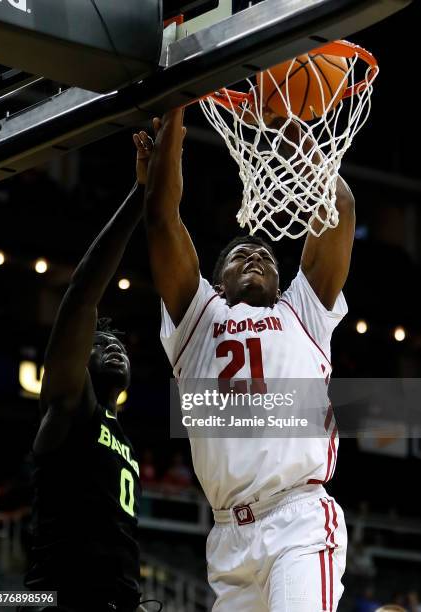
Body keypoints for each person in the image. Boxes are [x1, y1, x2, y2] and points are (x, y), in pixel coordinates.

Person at [144, 108, 355, 611]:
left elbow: (340, 209)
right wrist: (175, 114)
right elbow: (161, 218)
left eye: (265, 256)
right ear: (218, 284)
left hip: (299, 519)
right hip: (228, 539)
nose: (256, 255)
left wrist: (307, 152)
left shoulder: (303, 310)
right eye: (241, 254)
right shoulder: (197, 320)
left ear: (283, 284)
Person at [22, 129, 160, 612]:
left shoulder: (122, 435)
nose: (115, 347)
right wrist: (140, 196)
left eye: (120, 341)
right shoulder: (67, 403)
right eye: (100, 343)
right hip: (49, 596)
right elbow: (82, 293)